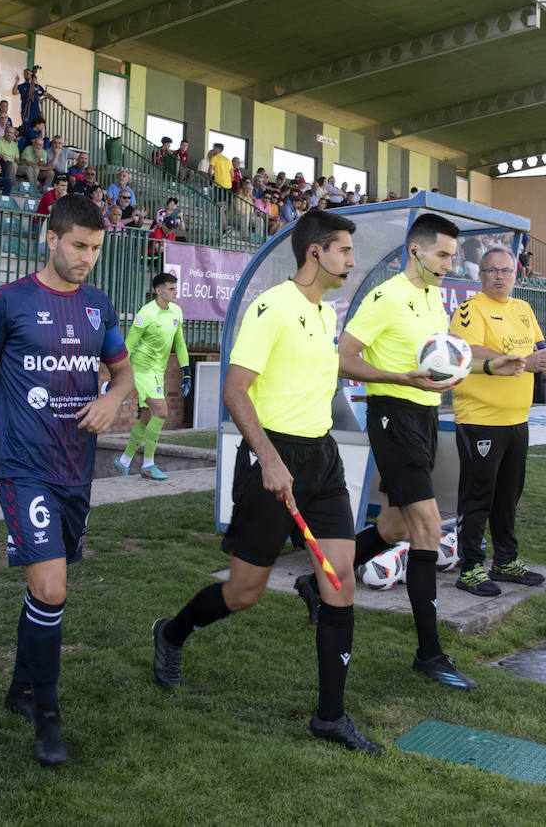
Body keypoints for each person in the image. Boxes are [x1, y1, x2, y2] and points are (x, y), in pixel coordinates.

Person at [150, 211, 382, 755]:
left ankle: (330, 717)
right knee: (244, 592)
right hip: (272, 463)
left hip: (321, 461)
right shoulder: (271, 307)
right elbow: (235, 391)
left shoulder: (326, 313)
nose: (352, 260)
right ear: (316, 254)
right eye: (344, 250)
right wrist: (271, 460)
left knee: (339, 580)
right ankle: (173, 632)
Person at [0, 193, 133, 767]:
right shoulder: (10, 301)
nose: (86, 257)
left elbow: (123, 377)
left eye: (95, 248)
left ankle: (21, 686)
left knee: (48, 585)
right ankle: (46, 714)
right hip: (24, 466)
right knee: (52, 587)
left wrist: (111, 398)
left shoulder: (98, 306)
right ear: (51, 238)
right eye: (77, 245)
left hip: (76, 468)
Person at [310, 214, 519, 690]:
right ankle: (429, 653)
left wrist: (490, 366)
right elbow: (344, 357)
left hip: (423, 416)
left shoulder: (432, 297)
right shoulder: (385, 297)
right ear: (416, 251)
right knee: (426, 527)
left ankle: (313, 582)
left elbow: (446, 356)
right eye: (443, 255)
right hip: (392, 415)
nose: (451, 263)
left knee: (395, 525)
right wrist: (400, 379)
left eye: (453, 255)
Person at [450, 246, 546, 596]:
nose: (499, 276)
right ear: (481, 275)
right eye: (492, 271)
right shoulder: (470, 309)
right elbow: (468, 350)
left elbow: (540, 347)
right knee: (477, 497)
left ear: (516, 275)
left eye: (506, 270)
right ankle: (470, 567)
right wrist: (520, 360)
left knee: (508, 496)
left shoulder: (523, 308)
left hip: (517, 418)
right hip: (481, 419)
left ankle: (505, 561)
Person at [115, 273, 190, 479]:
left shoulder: (176, 311)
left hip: (158, 372)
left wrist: (186, 371)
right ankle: (148, 464)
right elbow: (128, 345)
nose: (176, 292)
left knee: (147, 417)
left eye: (176, 288)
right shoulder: (146, 314)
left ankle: (124, 460)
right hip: (141, 370)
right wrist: (119, 374)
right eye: (171, 289)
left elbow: (180, 343)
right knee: (161, 411)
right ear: (158, 291)